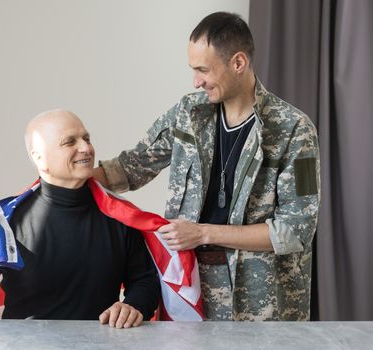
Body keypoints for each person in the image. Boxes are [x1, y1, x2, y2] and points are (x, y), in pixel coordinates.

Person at [94, 12, 320, 321]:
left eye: (203, 70)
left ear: (238, 63)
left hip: (263, 306)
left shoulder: (293, 129)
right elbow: (129, 168)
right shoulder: (188, 113)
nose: (196, 81)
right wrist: (59, 174)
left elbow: (294, 231)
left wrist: (202, 233)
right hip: (190, 292)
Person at [0, 109, 160, 328]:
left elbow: (145, 281)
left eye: (86, 138)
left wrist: (133, 306)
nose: (86, 148)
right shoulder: (7, 217)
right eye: (69, 142)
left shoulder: (119, 215)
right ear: (40, 158)